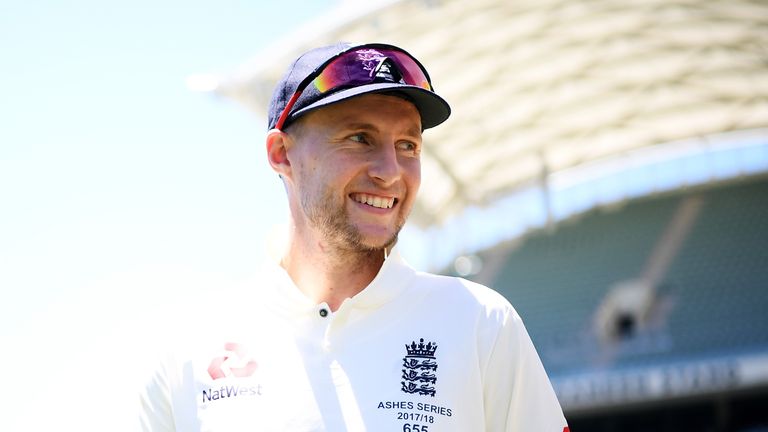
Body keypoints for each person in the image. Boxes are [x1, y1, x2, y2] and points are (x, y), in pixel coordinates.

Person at [139, 42, 569, 432]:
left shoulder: (482, 324)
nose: (390, 171)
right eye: (360, 138)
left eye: (408, 145)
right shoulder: (186, 347)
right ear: (281, 153)